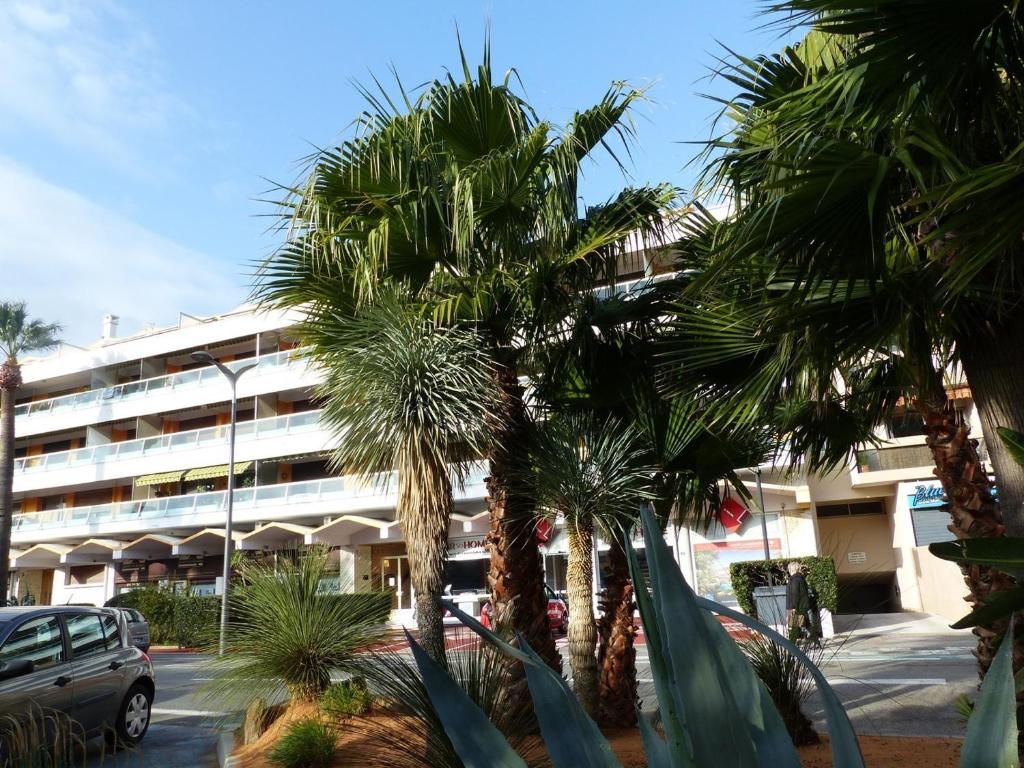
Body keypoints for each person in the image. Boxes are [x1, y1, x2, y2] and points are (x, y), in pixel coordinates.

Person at [785, 561, 810, 642]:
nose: (788, 570)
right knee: (803, 625)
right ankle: (813, 641)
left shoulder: (794, 580)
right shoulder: (801, 579)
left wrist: (793, 607)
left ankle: (792, 645)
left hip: (795, 606)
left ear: (792, 569)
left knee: (794, 627)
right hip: (803, 606)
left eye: (789, 568)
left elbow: (795, 594)